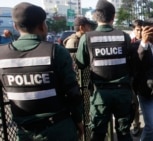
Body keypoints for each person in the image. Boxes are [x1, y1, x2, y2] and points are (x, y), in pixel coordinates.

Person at [0, 2, 84, 141]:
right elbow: (73, 93)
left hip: (25, 133)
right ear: (42, 26)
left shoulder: (1, 55)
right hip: (60, 130)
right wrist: (78, 120)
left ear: (15, 26)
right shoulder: (57, 52)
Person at [75, 0, 134, 141]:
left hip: (100, 94)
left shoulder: (87, 38)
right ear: (113, 16)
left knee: (98, 133)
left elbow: (80, 63)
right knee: (124, 132)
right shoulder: (124, 36)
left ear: (96, 16)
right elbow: (130, 62)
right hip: (123, 93)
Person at [129, 19, 144, 136]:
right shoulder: (128, 43)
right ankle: (136, 125)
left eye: (142, 30)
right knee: (134, 104)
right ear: (133, 30)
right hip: (132, 78)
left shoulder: (148, 42)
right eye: (137, 30)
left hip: (144, 78)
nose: (140, 32)